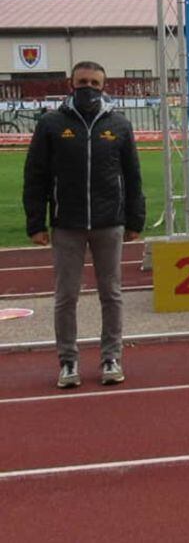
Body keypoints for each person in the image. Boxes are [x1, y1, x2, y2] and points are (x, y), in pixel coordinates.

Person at [23, 61, 145, 389]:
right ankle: (68, 361)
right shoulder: (51, 124)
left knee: (112, 293)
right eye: (83, 82)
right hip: (67, 223)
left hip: (110, 223)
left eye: (95, 82)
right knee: (66, 296)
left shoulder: (118, 125)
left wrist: (135, 219)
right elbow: (36, 175)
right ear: (70, 84)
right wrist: (36, 222)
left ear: (104, 86)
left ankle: (111, 357)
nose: (88, 87)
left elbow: (132, 176)